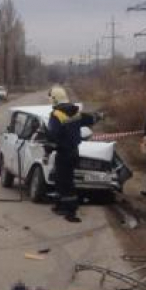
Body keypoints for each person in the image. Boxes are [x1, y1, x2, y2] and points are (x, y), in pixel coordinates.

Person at [45, 85, 101, 223]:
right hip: (73, 152)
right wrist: (99, 116)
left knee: (66, 183)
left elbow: (53, 135)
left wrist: (47, 151)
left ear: (54, 99)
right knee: (62, 180)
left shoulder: (56, 115)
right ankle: (60, 206)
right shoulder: (75, 112)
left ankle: (71, 211)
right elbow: (89, 119)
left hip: (63, 153)